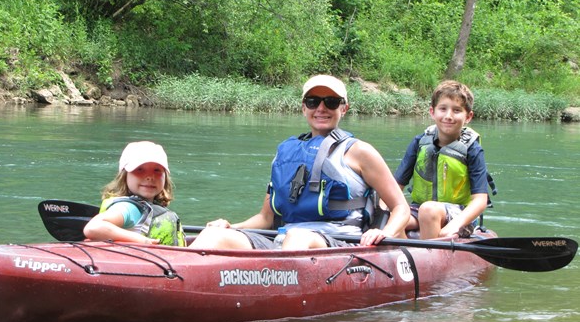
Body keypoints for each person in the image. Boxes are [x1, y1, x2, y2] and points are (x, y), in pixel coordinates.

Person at [189, 74, 410, 250]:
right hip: (283, 241)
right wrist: (230, 226)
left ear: (344, 108)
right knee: (214, 234)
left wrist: (385, 233)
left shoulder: (360, 152)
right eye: (313, 102)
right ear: (304, 107)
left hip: (338, 244)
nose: (321, 109)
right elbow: (266, 218)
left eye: (331, 102)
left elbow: (400, 207)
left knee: (297, 237)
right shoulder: (285, 153)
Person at [393, 80, 489, 239]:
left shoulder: (472, 149)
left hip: (459, 213)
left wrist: (454, 225)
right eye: (443, 109)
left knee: (429, 210)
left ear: (468, 116)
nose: (448, 116)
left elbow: (480, 200)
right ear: (432, 112)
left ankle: (428, 258)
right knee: (395, 217)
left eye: (457, 110)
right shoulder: (419, 142)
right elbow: (396, 186)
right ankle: (406, 256)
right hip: (418, 210)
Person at [83, 141, 186, 245]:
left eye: (157, 170)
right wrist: (142, 240)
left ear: (165, 177)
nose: (150, 177)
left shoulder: (148, 208)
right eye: (139, 169)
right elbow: (93, 228)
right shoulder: (129, 208)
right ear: (124, 176)